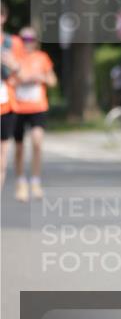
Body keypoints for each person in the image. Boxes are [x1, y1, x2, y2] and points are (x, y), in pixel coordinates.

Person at [13, 27, 57, 202]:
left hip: (38, 107)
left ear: (36, 41)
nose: (27, 42)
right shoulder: (14, 58)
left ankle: (36, 182)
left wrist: (40, 77)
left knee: (37, 142)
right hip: (18, 107)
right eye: (23, 39)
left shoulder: (42, 57)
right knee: (19, 148)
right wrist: (21, 79)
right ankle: (21, 182)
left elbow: (52, 81)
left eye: (30, 39)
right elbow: (8, 80)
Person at [1, 1, 23, 189]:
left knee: (2, 159)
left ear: (3, 17)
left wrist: (14, 66)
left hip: (6, 105)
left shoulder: (13, 43)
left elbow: (22, 75)